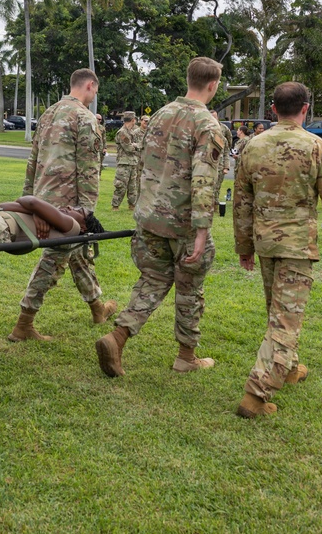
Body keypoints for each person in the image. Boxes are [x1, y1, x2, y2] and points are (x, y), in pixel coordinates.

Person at [95, 57, 225, 377]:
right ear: (213, 85)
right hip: (182, 222)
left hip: (150, 216)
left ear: (188, 78)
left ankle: (118, 337)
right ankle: (186, 356)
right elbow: (205, 181)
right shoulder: (207, 124)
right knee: (189, 289)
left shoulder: (161, 114)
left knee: (153, 280)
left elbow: (144, 165)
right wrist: (201, 230)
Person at [232, 82, 322, 418]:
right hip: (297, 244)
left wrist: (244, 246)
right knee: (285, 319)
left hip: (265, 243)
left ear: (273, 109)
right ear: (305, 108)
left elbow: (241, 201)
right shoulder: (315, 146)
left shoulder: (252, 146)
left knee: (279, 311)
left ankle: (290, 367)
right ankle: (255, 395)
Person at [10, 69, 116, 341]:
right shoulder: (85, 117)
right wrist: (86, 211)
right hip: (67, 207)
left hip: (42, 199)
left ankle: (97, 308)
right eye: (95, 91)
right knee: (54, 260)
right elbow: (90, 168)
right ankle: (24, 324)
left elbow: (32, 160)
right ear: (90, 86)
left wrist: (29, 200)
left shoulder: (48, 113)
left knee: (78, 253)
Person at [111, 112, 141, 210]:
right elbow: (129, 148)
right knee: (121, 186)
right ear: (133, 120)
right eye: (135, 120)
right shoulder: (122, 132)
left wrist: (135, 145)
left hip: (132, 162)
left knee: (133, 187)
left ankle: (132, 205)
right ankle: (115, 206)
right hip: (124, 163)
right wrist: (137, 145)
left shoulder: (131, 132)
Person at [212, 110, 233, 210]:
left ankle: (215, 206)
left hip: (219, 165)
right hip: (208, 165)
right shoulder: (204, 130)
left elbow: (226, 150)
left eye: (214, 117)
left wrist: (226, 167)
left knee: (217, 187)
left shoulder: (224, 131)